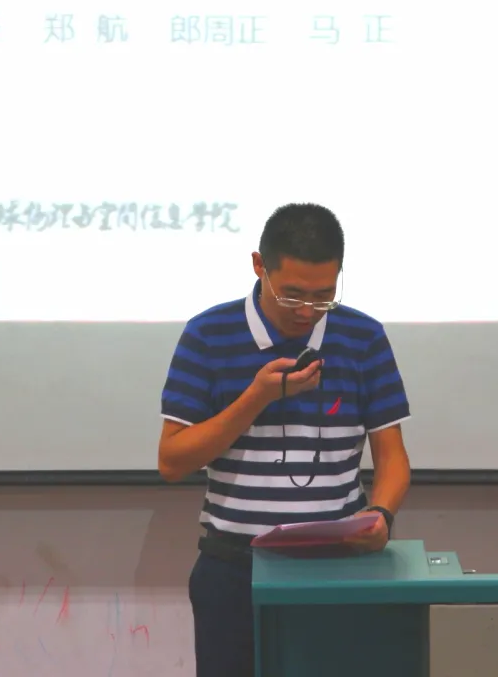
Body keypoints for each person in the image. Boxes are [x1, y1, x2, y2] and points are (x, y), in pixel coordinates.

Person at [157, 202, 413, 677]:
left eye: (324, 296)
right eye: (292, 295)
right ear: (260, 266)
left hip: (339, 564)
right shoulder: (207, 334)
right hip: (235, 568)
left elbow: (392, 455)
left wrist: (381, 513)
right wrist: (256, 396)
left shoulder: (363, 337)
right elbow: (172, 460)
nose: (307, 312)